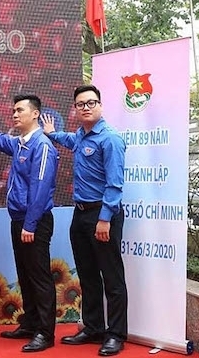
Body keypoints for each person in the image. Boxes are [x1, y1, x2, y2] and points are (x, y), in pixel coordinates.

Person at [42, 84, 127, 357]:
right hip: (80, 214)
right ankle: (93, 328)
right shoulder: (80, 135)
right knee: (88, 275)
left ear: (100, 106)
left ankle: (115, 335)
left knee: (111, 277)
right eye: (81, 104)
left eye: (91, 103)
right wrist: (52, 134)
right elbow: (68, 140)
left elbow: (114, 185)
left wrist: (105, 219)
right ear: (75, 109)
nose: (86, 107)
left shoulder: (110, 139)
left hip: (103, 214)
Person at [0, 94, 59, 352]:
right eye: (13, 110)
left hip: (34, 222)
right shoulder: (20, 144)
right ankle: (30, 324)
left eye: (19, 110)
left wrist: (31, 225)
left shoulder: (42, 146)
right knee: (25, 274)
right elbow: (1, 141)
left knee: (39, 276)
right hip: (19, 220)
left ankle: (45, 333)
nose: (14, 114)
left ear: (35, 114)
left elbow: (41, 188)